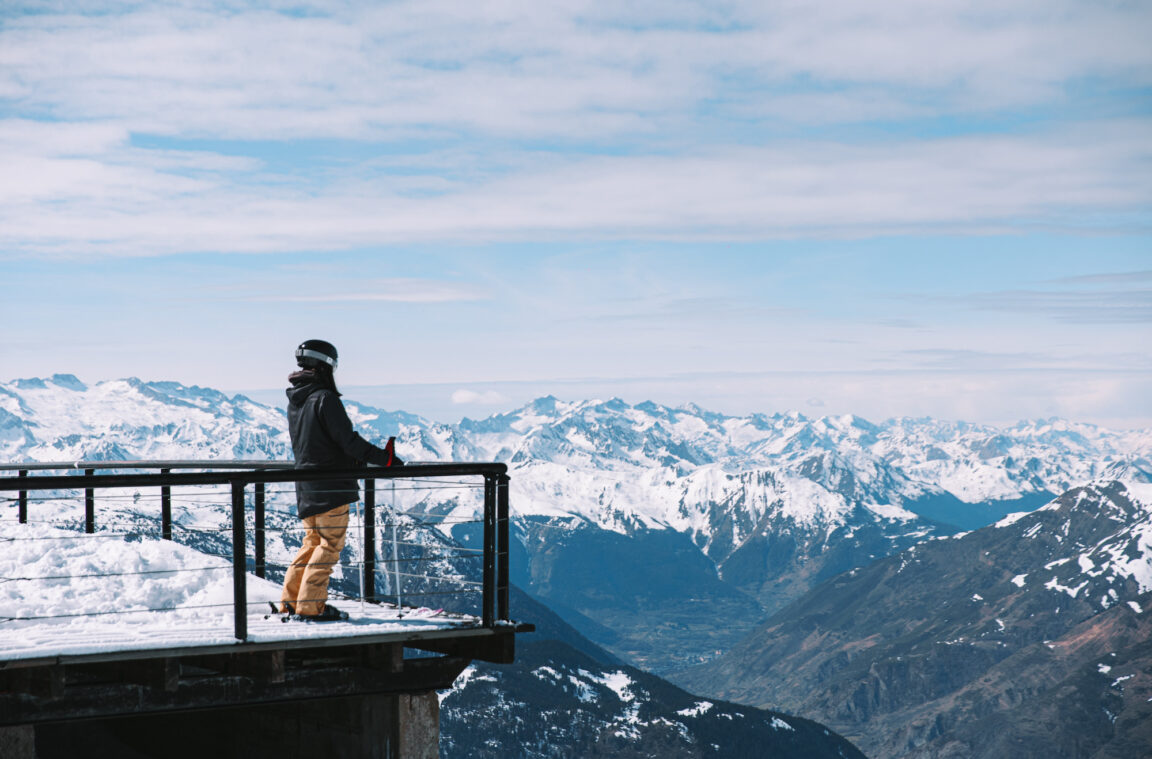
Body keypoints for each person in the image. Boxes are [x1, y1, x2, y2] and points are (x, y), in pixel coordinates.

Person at [280, 339, 403, 621]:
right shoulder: (324, 398)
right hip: (331, 487)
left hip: (306, 486)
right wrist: (384, 459)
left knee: (311, 543)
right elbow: (347, 441)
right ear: (327, 366)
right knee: (328, 547)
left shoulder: (297, 399)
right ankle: (311, 608)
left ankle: (290, 603)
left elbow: (319, 443)